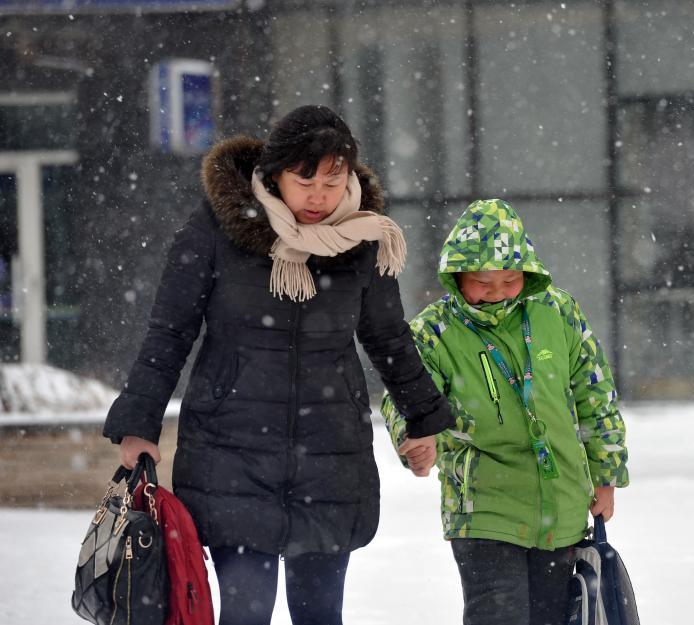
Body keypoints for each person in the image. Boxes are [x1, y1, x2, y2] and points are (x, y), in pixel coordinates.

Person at [103, 105, 452, 625]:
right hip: (231, 450)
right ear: (274, 175)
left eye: (332, 181)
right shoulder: (216, 230)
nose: (318, 195)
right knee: (247, 611)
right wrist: (139, 423)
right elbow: (170, 331)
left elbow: (388, 338)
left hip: (330, 453)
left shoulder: (364, 239)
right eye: (304, 178)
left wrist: (423, 420)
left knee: (320, 614)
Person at [381, 199, 629, 625]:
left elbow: (596, 394)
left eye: (510, 280)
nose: (496, 292)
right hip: (483, 505)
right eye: (482, 282)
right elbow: (404, 395)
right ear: (456, 276)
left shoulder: (557, 311)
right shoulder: (434, 331)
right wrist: (413, 435)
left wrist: (606, 474)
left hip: (561, 503)